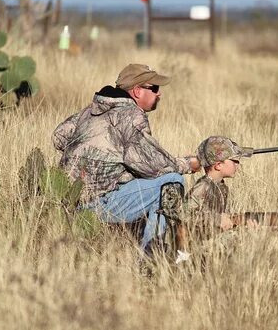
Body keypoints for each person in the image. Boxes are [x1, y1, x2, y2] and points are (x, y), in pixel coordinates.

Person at [52, 63, 200, 251]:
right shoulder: (131, 115)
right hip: (98, 206)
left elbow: (59, 136)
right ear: (137, 91)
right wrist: (188, 164)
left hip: (69, 202)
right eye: (154, 88)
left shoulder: (91, 110)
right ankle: (150, 256)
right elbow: (152, 165)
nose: (159, 94)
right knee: (171, 182)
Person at [186, 136, 255, 239]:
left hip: (212, 239)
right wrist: (217, 219)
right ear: (218, 165)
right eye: (234, 160)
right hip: (198, 243)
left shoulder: (221, 186)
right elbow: (186, 215)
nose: (238, 164)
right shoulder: (203, 187)